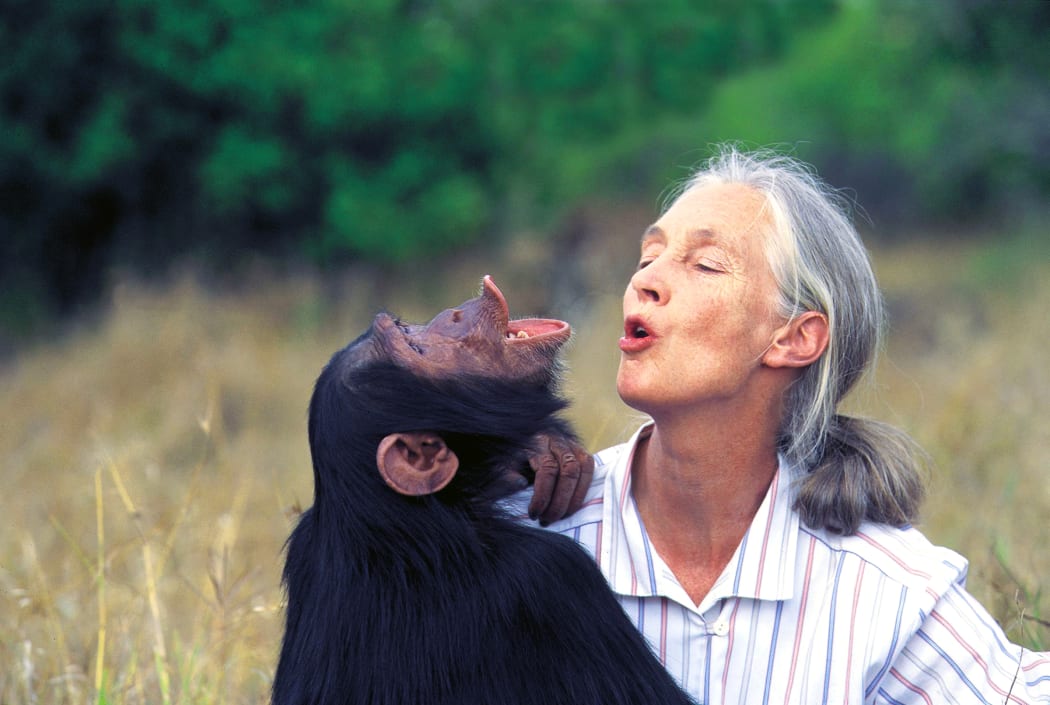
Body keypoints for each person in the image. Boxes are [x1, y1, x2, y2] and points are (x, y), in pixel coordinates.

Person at [519, 145, 1050, 703]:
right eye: (648, 256)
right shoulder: (530, 533)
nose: (645, 281)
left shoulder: (887, 592)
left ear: (795, 338)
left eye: (704, 264)